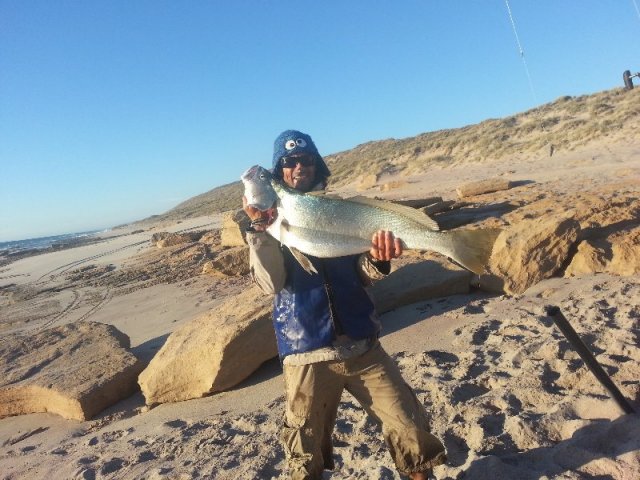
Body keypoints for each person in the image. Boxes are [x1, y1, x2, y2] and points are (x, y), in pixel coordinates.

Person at [243, 130, 446, 480]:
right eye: (289, 163)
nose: (298, 168)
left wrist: (380, 260)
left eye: (305, 160)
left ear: (316, 164)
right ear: (279, 173)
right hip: (306, 352)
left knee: (411, 431)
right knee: (304, 456)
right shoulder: (271, 224)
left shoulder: (343, 210)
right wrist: (259, 233)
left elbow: (364, 272)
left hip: (363, 345)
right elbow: (270, 284)